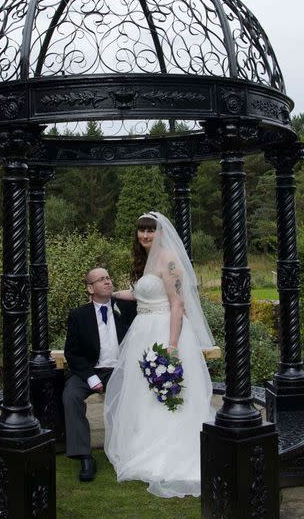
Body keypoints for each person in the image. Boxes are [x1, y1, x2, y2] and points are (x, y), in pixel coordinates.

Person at [104, 212, 216, 498]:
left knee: (167, 392)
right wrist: (110, 295)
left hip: (164, 331)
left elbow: (177, 304)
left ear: (160, 233)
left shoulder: (167, 259)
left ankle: (169, 449)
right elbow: (142, 294)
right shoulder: (148, 261)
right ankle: (143, 444)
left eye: (150, 231)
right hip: (143, 331)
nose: (144, 236)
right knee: (143, 391)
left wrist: (172, 344)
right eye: (141, 231)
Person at [62, 267, 137, 481]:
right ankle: (84, 456)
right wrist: (90, 377)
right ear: (90, 288)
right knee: (71, 396)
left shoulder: (126, 307)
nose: (107, 281)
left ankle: (126, 449)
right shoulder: (78, 315)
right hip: (89, 370)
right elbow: (72, 353)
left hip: (119, 370)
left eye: (108, 277)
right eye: (101, 279)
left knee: (129, 395)